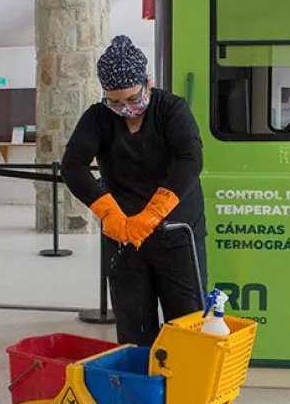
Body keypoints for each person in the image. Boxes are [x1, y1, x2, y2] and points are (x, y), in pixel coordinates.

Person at [60, 35, 207, 349]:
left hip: (176, 232)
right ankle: (142, 391)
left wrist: (153, 213)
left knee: (186, 322)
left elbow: (189, 159)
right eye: (114, 101)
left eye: (130, 98)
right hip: (125, 236)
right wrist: (110, 213)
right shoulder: (98, 118)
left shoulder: (172, 110)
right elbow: (73, 166)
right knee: (133, 324)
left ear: (148, 83)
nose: (124, 108)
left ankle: (183, 392)